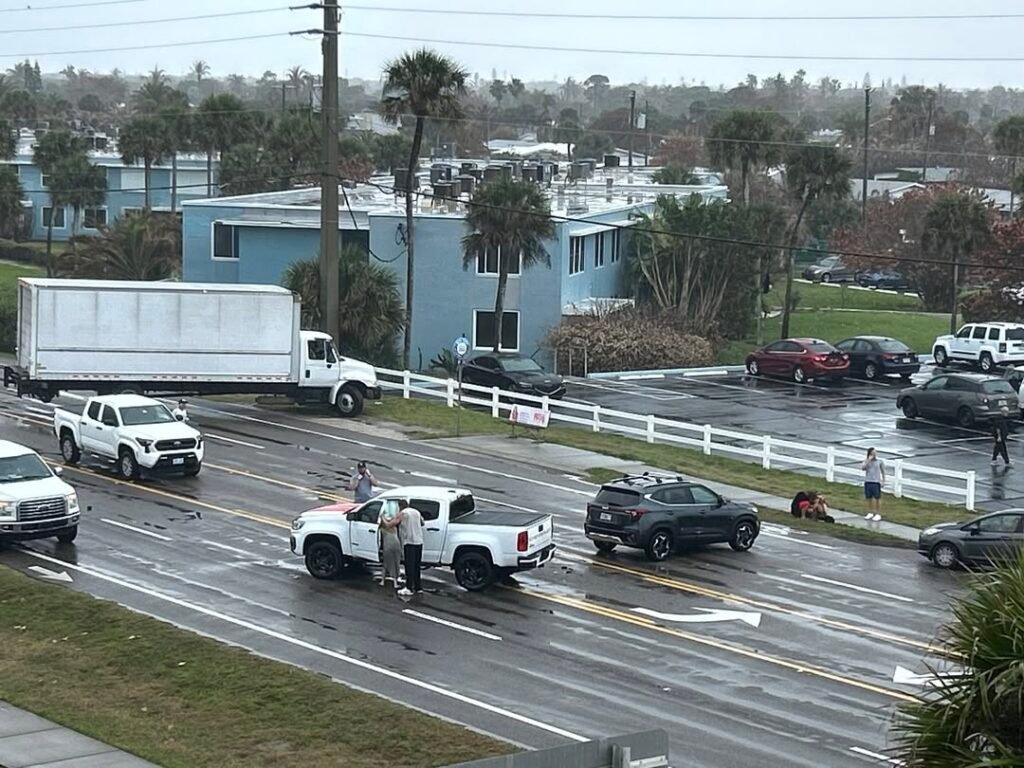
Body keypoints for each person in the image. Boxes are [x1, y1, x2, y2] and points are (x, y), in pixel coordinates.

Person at [396, 499, 424, 597]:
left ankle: (408, 588)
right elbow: (422, 523)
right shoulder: (416, 512)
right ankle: (418, 587)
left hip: (409, 541)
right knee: (416, 566)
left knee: (409, 566)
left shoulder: (403, 513)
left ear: (400, 506)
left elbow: (394, 523)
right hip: (419, 541)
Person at [377, 499, 402, 590]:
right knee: (395, 563)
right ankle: (395, 582)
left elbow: (386, 525)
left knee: (386, 563)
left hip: (387, 546)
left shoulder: (383, 527)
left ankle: (383, 581)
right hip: (396, 545)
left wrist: (382, 516)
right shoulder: (394, 526)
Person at [862, 447, 885, 522]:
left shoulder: (879, 461)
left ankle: (878, 513)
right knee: (868, 498)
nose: (874, 454)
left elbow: (883, 471)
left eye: (875, 452)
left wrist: (883, 480)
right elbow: (863, 468)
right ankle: (870, 512)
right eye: (873, 453)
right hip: (868, 481)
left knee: (877, 498)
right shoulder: (866, 461)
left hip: (876, 482)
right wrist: (868, 460)